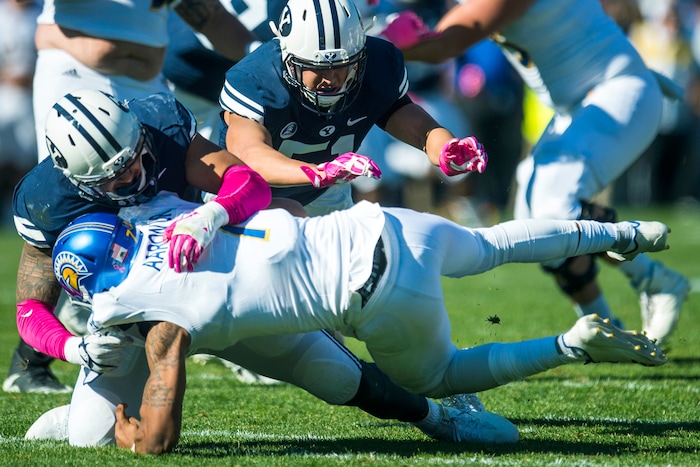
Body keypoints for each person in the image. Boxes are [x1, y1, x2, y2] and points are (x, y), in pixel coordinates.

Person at [14, 89, 516, 445]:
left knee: (336, 376)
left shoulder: (158, 125)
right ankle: (79, 414)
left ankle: (437, 418)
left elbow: (248, 184)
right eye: (114, 177)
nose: (132, 175)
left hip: (222, 280)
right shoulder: (44, 203)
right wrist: (74, 346)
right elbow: (29, 309)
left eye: (134, 158)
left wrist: (212, 213)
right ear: (70, 176)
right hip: (137, 318)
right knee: (89, 439)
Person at [35, 191, 669, 454]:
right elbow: (256, 195)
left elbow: (158, 439)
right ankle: (622, 232)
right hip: (383, 223)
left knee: (442, 377)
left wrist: (127, 431)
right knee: (495, 241)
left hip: (379, 295)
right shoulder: (169, 213)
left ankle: (568, 344)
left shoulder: (152, 313)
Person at [217, 0, 489, 411]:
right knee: (296, 338)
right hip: (256, 203)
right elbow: (248, 151)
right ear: (289, 56)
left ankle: (436, 381)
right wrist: (314, 172)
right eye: (318, 69)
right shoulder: (256, 77)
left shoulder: (376, 62)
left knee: (370, 298)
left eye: (343, 65)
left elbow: (401, 113)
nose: (332, 78)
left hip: (327, 198)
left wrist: (441, 144)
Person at [380, 0, 690, 345]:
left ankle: (654, 279)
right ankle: (604, 324)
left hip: (618, 89)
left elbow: (445, 45)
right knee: (537, 225)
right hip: (578, 103)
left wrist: (375, 44)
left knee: (552, 207)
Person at [7, 0, 260, 394]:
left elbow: (211, 19)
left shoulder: (164, 118)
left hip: (146, 86)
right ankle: (29, 363)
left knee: (180, 205)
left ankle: (218, 329)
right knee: (74, 204)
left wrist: (261, 59)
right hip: (74, 78)